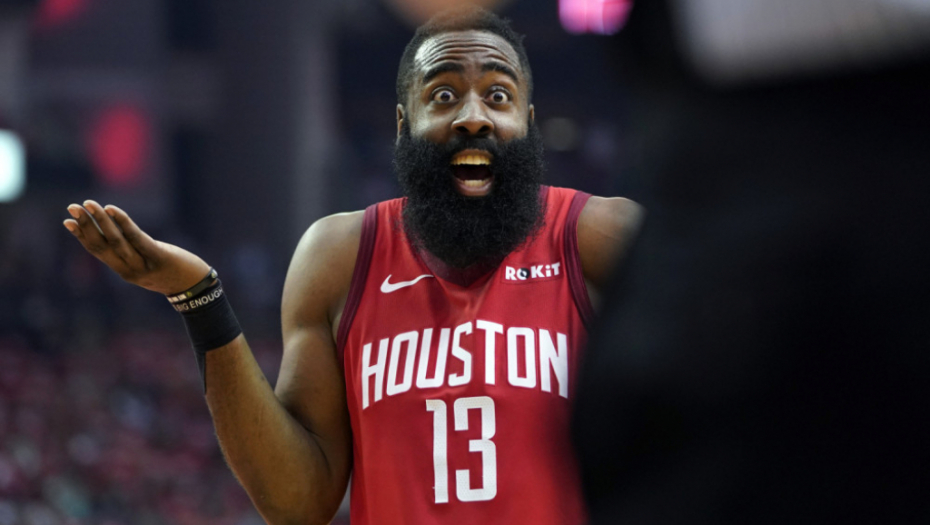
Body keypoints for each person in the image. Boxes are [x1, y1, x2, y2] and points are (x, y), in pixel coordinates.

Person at [63, 7, 641, 525]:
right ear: (403, 124)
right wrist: (200, 297)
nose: (473, 117)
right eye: (443, 95)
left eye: (498, 95)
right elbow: (299, 502)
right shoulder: (339, 255)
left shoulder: (600, 237)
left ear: (528, 122)